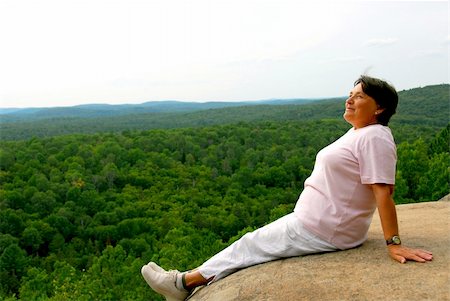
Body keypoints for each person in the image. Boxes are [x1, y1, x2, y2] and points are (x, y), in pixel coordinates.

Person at [141, 75, 433, 301]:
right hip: (319, 221)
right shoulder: (361, 132)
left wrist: (393, 243)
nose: (350, 100)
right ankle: (183, 280)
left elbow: (383, 191)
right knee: (252, 243)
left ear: (379, 107)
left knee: (250, 245)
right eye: (350, 95)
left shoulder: (375, 137)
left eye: (359, 96)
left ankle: (180, 283)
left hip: (325, 227)